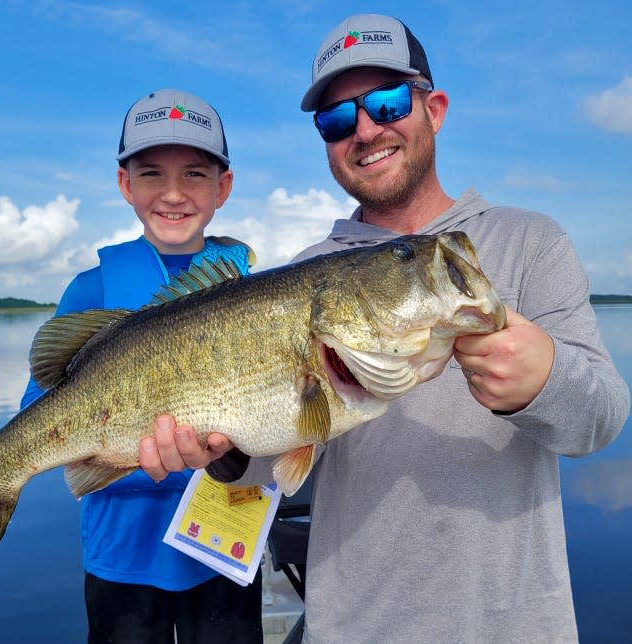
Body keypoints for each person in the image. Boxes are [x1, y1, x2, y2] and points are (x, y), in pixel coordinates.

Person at [138, 15, 631, 643]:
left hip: (514, 627)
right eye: (337, 118)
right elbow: (281, 463)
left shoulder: (529, 243)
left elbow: (602, 420)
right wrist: (225, 455)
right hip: (351, 626)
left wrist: (545, 380)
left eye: (389, 101)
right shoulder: (306, 271)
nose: (365, 129)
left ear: (435, 108)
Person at [20, 88, 263, 644]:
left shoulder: (252, 293)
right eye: (152, 173)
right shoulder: (93, 289)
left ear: (224, 187)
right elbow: (38, 408)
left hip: (225, 545)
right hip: (121, 553)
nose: (173, 193)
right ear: (125, 184)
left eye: (196, 174)